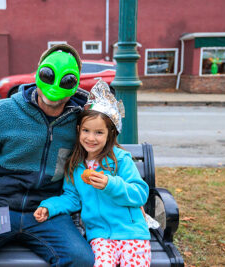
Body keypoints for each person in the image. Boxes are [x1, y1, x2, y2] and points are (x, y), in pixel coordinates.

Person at [0, 44, 94, 267]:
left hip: (46, 211)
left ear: (74, 84)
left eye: (66, 80)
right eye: (48, 75)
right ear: (39, 72)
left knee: (81, 259)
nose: (54, 85)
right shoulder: (1, 112)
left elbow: (107, 150)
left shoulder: (81, 122)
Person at [34, 80, 151, 267]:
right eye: (86, 131)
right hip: (99, 234)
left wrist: (110, 184)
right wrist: (50, 206)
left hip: (131, 232)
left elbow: (140, 194)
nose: (91, 138)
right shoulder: (76, 164)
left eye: (98, 133)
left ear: (110, 134)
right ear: (79, 130)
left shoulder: (120, 160)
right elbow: (72, 198)